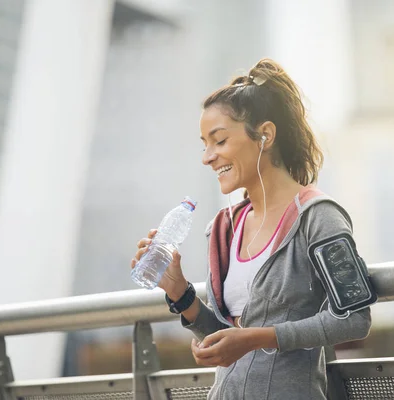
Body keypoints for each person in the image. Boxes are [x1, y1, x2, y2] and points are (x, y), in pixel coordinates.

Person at [131, 59, 372, 399]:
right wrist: (179, 291)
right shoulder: (225, 228)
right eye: (205, 144)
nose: (207, 157)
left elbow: (353, 319)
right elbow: (226, 336)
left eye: (219, 140)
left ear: (265, 135)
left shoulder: (318, 217)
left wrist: (259, 337)